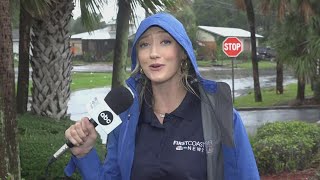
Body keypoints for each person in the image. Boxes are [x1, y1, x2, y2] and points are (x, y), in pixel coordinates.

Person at [64, 13, 260, 180]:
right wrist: (84, 154)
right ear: (137, 57)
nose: (153, 53)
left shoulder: (220, 116)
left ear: (183, 52)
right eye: (144, 44)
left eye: (165, 41)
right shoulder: (125, 120)